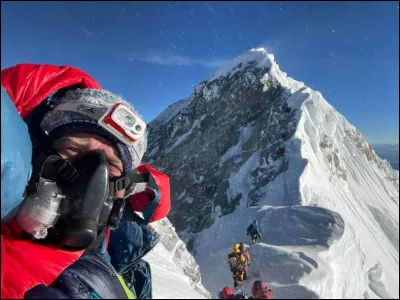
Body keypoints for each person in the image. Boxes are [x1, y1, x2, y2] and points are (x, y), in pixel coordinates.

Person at [1, 63, 171, 299]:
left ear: (124, 190)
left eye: (112, 166)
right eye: (71, 149)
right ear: (35, 153)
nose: (94, 178)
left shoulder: (116, 284)